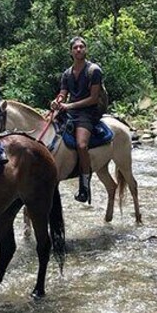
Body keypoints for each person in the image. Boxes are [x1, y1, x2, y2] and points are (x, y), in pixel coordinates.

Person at [50, 36, 103, 204]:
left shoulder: (94, 71)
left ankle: (85, 186)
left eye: (81, 47)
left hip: (87, 113)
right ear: (71, 51)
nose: (78, 50)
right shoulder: (67, 73)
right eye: (75, 48)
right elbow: (63, 93)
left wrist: (70, 106)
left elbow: (94, 98)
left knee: (81, 145)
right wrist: (57, 101)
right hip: (71, 111)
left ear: (85, 49)